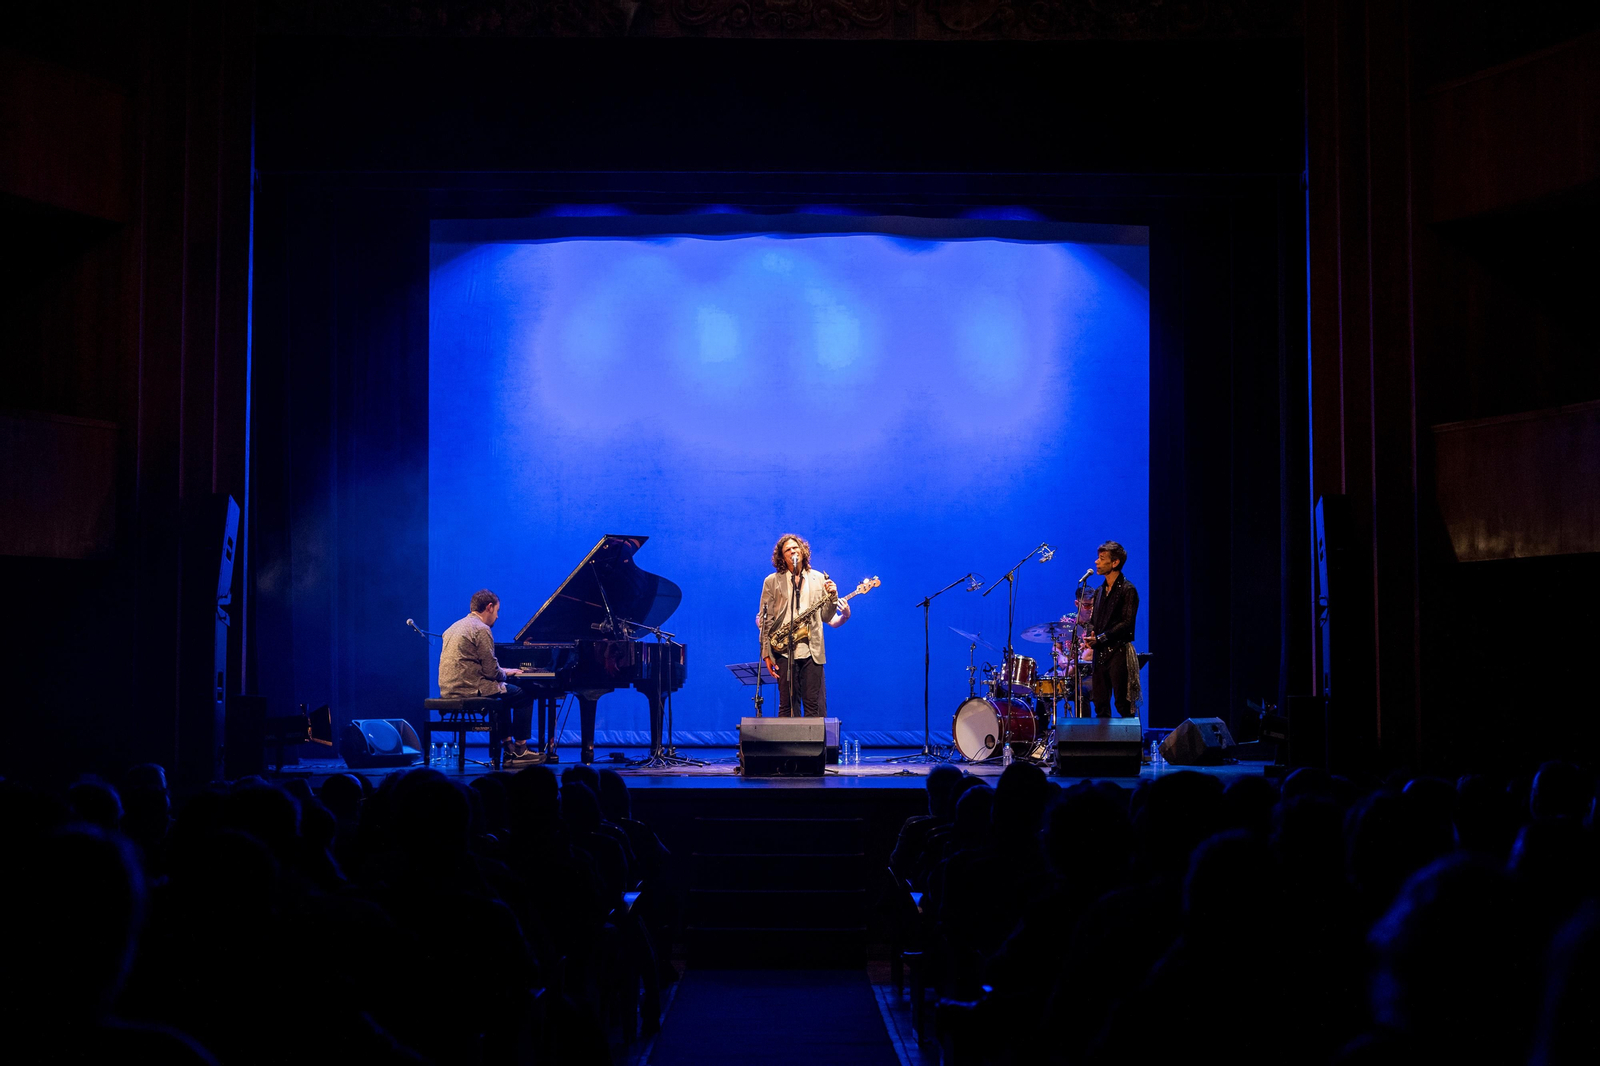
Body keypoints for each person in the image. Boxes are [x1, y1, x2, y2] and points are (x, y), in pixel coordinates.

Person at [438, 589, 534, 765]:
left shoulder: (453, 627)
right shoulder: (481, 629)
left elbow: (473, 664)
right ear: (489, 607)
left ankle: (507, 746)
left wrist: (502, 670)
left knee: (502, 694)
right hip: (470, 688)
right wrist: (506, 673)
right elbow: (491, 672)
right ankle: (521, 749)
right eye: (497, 611)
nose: (497, 617)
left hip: (449, 688)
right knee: (523, 695)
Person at [758, 534, 850, 717]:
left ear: (803, 550)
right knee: (786, 705)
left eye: (795, 547)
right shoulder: (772, 581)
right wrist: (766, 653)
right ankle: (786, 745)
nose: (792, 551)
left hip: (812, 649)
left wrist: (833, 597)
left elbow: (825, 615)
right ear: (782, 557)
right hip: (783, 649)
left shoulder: (818, 578)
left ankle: (812, 746)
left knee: (812, 705)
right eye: (787, 550)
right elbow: (765, 619)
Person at [1084, 540, 1140, 718]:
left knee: (1123, 703)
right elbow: (1093, 620)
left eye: (1102, 558)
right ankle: (1103, 744)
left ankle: (1128, 744)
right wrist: (1091, 634)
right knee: (1100, 704)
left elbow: (1127, 623)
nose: (1096, 562)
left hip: (1118, 652)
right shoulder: (1099, 591)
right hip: (1100, 654)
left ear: (1115, 563)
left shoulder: (1127, 589)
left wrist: (1101, 638)